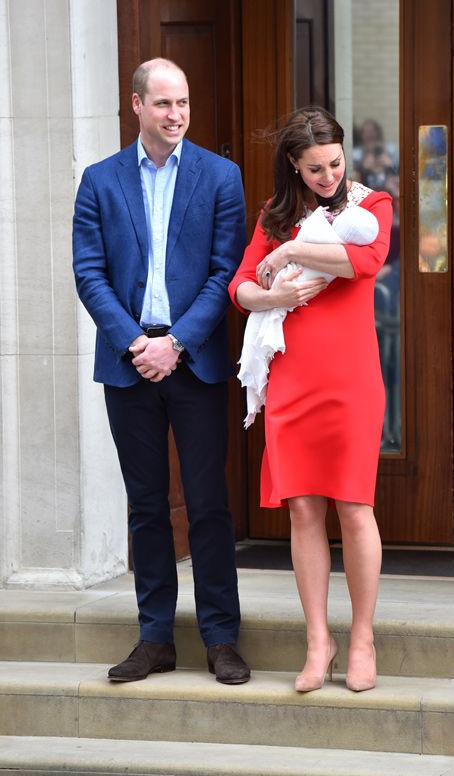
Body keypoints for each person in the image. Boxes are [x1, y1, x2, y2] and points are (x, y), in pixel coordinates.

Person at [73, 57, 250, 685]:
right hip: (129, 366)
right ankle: (154, 639)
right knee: (147, 505)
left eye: (184, 104)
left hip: (194, 362)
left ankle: (220, 637)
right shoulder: (99, 180)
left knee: (207, 505)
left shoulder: (221, 176)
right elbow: (89, 273)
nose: (176, 115)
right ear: (137, 104)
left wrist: (175, 342)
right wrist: (135, 344)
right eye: (164, 104)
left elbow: (225, 271)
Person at [229, 106, 392, 693]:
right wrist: (270, 297)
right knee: (303, 509)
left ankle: (364, 638)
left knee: (353, 507)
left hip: (350, 379)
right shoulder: (275, 216)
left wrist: (292, 254)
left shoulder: (371, 204)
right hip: (293, 378)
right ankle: (318, 641)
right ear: (294, 167)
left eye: (334, 163)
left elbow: (365, 261)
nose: (328, 176)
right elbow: (241, 286)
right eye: (315, 168)